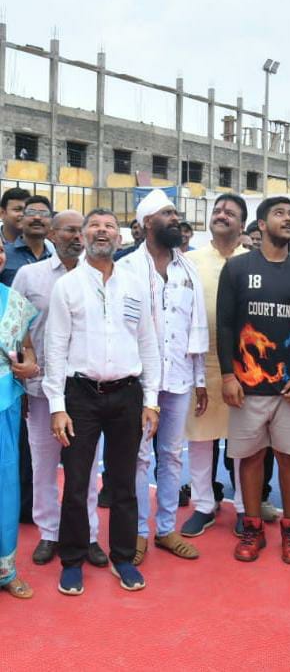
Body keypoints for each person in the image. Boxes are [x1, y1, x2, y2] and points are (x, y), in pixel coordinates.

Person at [43, 208, 161, 596]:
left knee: (125, 481)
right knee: (77, 482)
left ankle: (123, 558)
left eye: (109, 226)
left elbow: (149, 342)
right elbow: (55, 347)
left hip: (127, 394)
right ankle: (73, 560)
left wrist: (152, 399)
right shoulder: (68, 286)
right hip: (81, 397)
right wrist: (57, 405)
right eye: (94, 225)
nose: (101, 231)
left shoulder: (135, 285)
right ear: (83, 236)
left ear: (120, 236)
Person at [217, 196, 290, 564]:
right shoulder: (237, 269)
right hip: (247, 387)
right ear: (261, 225)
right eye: (280, 214)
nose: (289, 219)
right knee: (250, 459)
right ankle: (252, 529)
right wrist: (228, 374)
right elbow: (226, 325)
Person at [12, 211, 107, 567]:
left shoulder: (99, 275)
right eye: (69, 230)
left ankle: (90, 535)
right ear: (53, 233)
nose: (77, 237)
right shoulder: (29, 275)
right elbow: (15, 327)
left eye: (79, 230)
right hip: (40, 390)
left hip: (86, 391)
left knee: (86, 467)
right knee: (43, 466)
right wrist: (22, 367)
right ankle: (49, 534)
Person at [119, 190, 209, 564]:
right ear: (145, 224)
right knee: (139, 458)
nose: (175, 218)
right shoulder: (125, 270)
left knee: (171, 455)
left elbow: (197, 326)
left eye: (175, 212)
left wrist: (200, 377)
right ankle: (139, 532)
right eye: (167, 213)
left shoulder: (188, 270)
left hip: (180, 378)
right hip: (140, 384)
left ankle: (166, 529)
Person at [180, 194, 250, 537]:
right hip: (201, 362)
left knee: (243, 438)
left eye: (230, 212)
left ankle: (243, 505)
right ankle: (204, 505)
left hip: (245, 364)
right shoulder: (189, 261)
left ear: (243, 224)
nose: (221, 215)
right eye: (217, 211)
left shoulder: (254, 261)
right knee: (199, 438)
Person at [0, 238, 39, 599]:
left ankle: (5, 569)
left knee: (6, 488)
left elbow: (29, 351)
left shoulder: (13, 303)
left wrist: (28, 365)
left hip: (4, 405)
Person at [0, 195, 54, 287]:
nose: (37, 217)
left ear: (51, 221)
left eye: (44, 213)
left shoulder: (55, 258)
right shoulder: (3, 255)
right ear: (22, 218)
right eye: (31, 212)